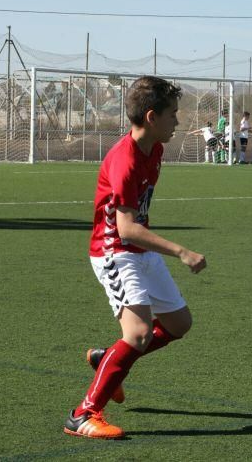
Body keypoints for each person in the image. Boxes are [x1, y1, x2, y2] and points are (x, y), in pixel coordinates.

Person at [64, 76, 207, 439]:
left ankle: (107, 360)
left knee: (179, 324)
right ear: (151, 116)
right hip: (114, 252)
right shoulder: (125, 161)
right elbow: (125, 229)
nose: (177, 121)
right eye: (172, 114)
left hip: (139, 250)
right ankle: (83, 414)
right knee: (140, 333)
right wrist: (181, 251)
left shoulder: (154, 150)